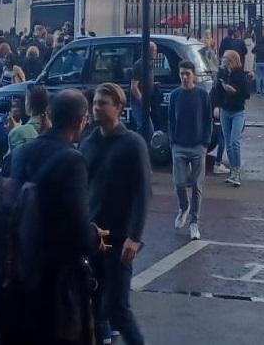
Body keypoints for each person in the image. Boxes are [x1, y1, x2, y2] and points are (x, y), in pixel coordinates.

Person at [0, 90, 102, 345]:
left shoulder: (20, 153)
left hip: (14, 282)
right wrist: (96, 237)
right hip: (50, 290)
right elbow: (79, 230)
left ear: (48, 116)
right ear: (81, 121)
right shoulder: (72, 161)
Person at [82, 83, 150, 345]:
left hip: (119, 237)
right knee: (94, 304)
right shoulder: (89, 142)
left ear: (119, 108)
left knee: (117, 307)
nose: (96, 107)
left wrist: (135, 236)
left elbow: (143, 192)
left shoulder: (132, 144)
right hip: (92, 236)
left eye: (103, 103)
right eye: (95, 102)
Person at [166, 59, 209, 240]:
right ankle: (184, 207)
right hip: (179, 145)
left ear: (194, 75)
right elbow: (169, 119)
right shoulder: (175, 95)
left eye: (187, 74)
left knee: (197, 186)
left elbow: (208, 119)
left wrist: (205, 143)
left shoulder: (202, 95)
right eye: (182, 74)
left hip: (198, 145)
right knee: (179, 182)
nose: (184, 77)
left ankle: (194, 222)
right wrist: (172, 142)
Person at [211, 48, 249, 185]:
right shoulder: (222, 74)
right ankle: (233, 171)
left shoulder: (239, 75)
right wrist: (216, 105)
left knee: (234, 141)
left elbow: (246, 94)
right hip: (225, 111)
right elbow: (216, 92)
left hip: (238, 111)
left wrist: (234, 91)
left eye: (225, 58)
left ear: (232, 60)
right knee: (228, 143)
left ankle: (237, 171)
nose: (223, 60)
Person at [9, 83, 49, 153]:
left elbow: (12, 160)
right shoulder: (55, 129)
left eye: (25, 100)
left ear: (29, 104)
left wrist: (14, 130)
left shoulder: (17, 132)